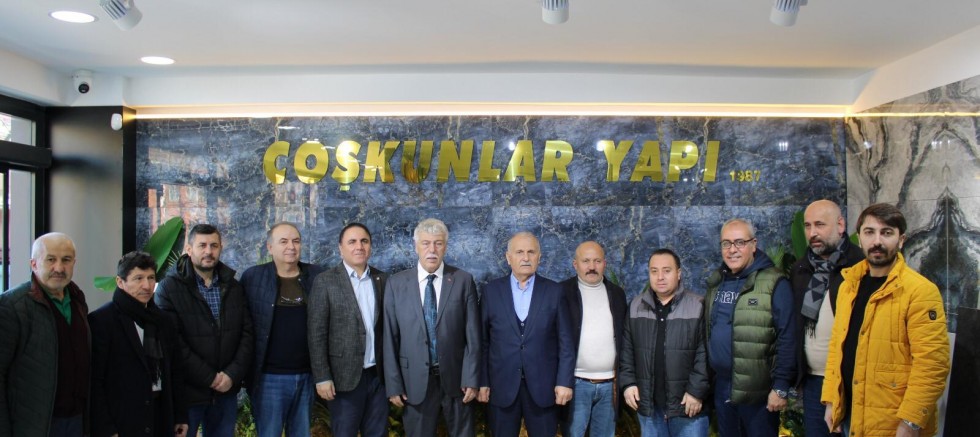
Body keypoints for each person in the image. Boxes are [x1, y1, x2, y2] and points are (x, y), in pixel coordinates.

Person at [822, 203, 950, 437]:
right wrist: (832, 399)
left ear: (901, 240)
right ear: (859, 238)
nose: (877, 241)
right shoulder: (848, 286)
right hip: (852, 416)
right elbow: (836, 348)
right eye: (869, 232)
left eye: (887, 233)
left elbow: (932, 365)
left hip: (895, 424)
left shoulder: (920, 291)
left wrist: (911, 422)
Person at [383, 218, 481, 436]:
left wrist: (472, 379)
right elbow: (390, 338)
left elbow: (473, 336)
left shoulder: (463, 280)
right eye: (426, 243)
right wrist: (393, 384)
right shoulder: (396, 283)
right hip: (413, 382)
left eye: (438, 243)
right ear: (416, 246)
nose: (432, 250)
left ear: (445, 246)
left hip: (458, 381)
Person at [156, 224, 254, 437]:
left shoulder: (234, 287)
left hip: (226, 391)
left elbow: (247, 335)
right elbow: (173, 342)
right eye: (202, 245)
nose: (209, 251)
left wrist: (231, 375)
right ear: (189, 249)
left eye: (214, 245)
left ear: (221, 248)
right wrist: (210, 378)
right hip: (188, 393)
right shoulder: (169, 288)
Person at [705, 218, 796, 437]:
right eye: (726, 243)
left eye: (739, 242)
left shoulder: (774, 283)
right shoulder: (716, 282)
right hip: (723, 386)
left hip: (759, 392)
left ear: (753, 244)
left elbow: (788, 337)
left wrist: (781, 387)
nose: (732, 250)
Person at [479, 231, 575, 437]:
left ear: (539, 257)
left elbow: (566, 342)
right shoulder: (491, 291)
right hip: (501, 387)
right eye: (519, 252)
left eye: (531, 252)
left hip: (544, 389)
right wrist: (483, 381)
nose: (525, 257)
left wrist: (564, 382)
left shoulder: (555, 291)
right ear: (508, 258)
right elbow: (483, 342)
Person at [89, 251, 188, 437]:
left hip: (160, 415)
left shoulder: (163, 321)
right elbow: (95, 382)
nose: (147, 285)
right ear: (120, 282)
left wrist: (180, 416)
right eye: (138, 278)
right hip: (123, 418)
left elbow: (175, 371)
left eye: (151, 278)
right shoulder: (102, 320)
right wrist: (106, 428)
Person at [0, 233, 90, 437]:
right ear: (34, 264)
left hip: (76, 421)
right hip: (34, 426)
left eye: (66, 260)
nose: (59, 267)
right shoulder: (12, 306)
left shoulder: (77, 300)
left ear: (74, 263)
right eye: (50, 259)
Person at [789, 200, 864, 437]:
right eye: (808, 226)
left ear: (840, 225)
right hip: (813, 383)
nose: (812, 233)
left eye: (820, 225)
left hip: (851, 382)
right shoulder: (801, 268)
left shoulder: (860, 266)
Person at [241, 223, 323, 437]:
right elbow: (242, 326)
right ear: (270, 247)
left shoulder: (317, 276)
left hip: (306, 377)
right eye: (283, 241)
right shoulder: (253, 278)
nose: (291, 247)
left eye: (296, 241)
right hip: (268, 379)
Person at [308, 223, 389, 437]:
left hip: (378, 377)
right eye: (352, 242)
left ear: (370, 246)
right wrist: (322, 377)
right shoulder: (325, 281)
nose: (359, 246)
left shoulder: (383, 279)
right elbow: (316, 334)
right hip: (343, 378)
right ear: (340, 248)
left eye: (364, 241)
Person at [620, 249, 709, 436]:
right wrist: (628, 384)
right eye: (654, 271)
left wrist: (696, 391)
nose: (660, 277)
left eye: (666, 271)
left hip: (687, 407)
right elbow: (626, 350)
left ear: (678, 273)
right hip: (650, 408)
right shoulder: (636, 306)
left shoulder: (698, 305)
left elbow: (706, 354)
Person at [558, 241, 627, 437]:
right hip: (576, 384)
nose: (591, 267)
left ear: (605, 263)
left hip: (610, 385)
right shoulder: (561, 292)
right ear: (575, 264)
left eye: (597, 261)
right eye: (586, 261)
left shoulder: (617, 294)